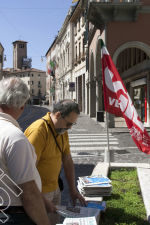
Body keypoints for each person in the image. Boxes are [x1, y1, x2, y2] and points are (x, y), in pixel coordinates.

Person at [0, 77, 56, 225]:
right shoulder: (14, 137)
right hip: (13, 216)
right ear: (23, 106)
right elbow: (28, 192)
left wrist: (43, 200)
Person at [24, 99, 86, 224]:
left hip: (55, 189)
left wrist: (73, 190)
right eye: (69, 124)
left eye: (72, 125)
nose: (69, 128)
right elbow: (27, 173)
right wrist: (40, 198)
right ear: (58, 115)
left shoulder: (61, 130)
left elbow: (67, 159)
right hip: (39, 193)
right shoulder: (39, 131)